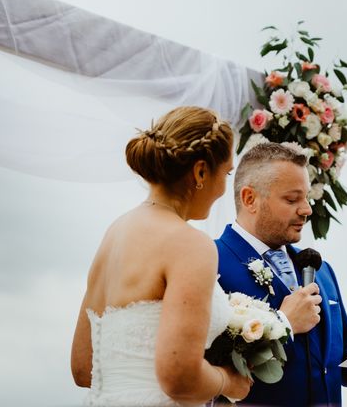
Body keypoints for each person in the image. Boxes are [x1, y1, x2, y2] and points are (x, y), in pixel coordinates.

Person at [215, 143, 347, 406]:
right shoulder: (212, 262)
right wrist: (283, 322)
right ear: (249, 199)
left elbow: (341, 356)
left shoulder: (321, 271)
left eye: (306, 198)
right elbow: (203, 366)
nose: (307, 210)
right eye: (292, 200)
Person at [71, 106, 252, 406]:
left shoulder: (114, 235)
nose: (224, 188)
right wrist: (229, 382)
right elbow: (179, 378)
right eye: (227, 173)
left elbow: (83, 367)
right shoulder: (190, 244)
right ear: (201, 171)